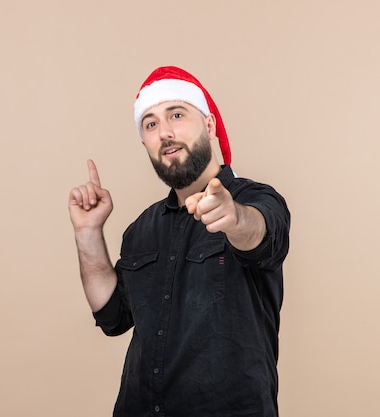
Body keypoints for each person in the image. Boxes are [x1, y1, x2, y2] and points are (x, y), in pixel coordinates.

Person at [68, 66, 290, 417]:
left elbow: (261, 237)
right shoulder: (141, 229)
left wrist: (232, 217)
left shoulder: (257, 199)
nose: (165, 132)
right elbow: (112, 317)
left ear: (209, 125)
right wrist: (88, 232)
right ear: (145, 143)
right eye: (151, 123)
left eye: (176, 114)